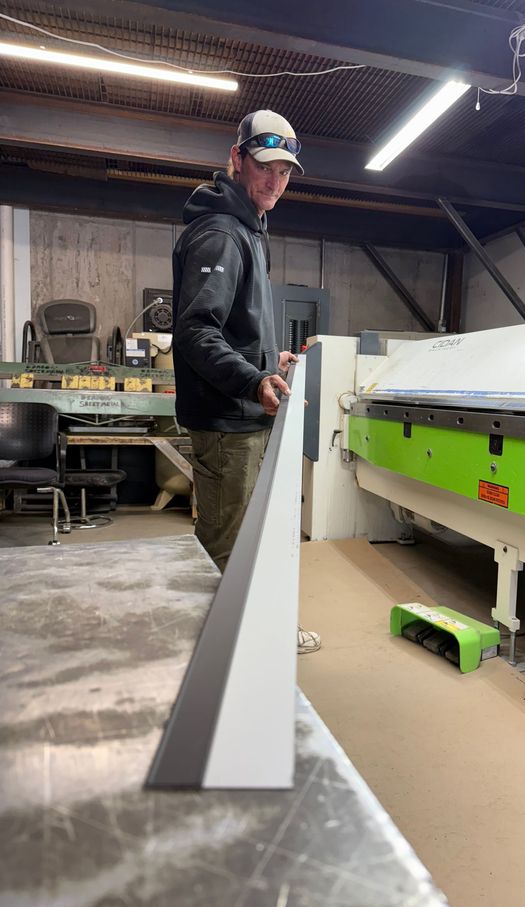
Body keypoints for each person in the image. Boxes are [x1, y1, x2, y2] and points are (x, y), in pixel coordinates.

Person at [172, 109, 320, 653]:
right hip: (227, 423)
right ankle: (222, 661)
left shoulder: (248, 229)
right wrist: (252, 378)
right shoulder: (221, 235)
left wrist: (265, 358)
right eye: (265, 167)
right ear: (236, 159)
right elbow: (194, 330)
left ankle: (252, 635)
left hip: (242, 417)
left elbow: (229, 327)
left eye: (284, 172)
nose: (275, 182)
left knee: (249, 536)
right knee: (227, 543)